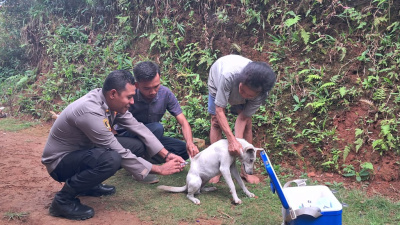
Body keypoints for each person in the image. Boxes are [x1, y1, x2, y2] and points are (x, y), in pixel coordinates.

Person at [41, 70, 185, 220]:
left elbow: (138, 127)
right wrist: (159, 169)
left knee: (136, 146)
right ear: (113, 93)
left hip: (82, 152)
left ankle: (88, 185)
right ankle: (62, 200)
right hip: (60, 163)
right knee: (112, 158)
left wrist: (166, 155)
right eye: (129, 97)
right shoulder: (90, 110)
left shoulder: (110, 102)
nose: (132, 101)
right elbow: (117, 150)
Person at [207, 54, 276, 184]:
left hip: (236, 87)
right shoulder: (228, 75)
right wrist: (232, 140)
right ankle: (216, 169)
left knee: (248, 124)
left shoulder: (261, 94)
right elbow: (219, 110)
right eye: (242, 90)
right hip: (218, 81)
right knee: (216, 121)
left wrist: (239, 147)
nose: (242, 94)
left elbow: (243, 118)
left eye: (248, 94)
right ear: (241, 81)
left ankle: (245, 172)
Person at [116, 61, 199, 161]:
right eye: (147, 88)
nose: (153, 92)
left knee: (183, 150)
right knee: (157, 128)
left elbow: (183, 121)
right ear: (137, 85)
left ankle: (143, 158)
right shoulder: (129, 95)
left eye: (156, 86)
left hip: (152, 137)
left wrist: (190, 143)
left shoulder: (165, 94)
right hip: (129, 136)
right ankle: (143, 157)